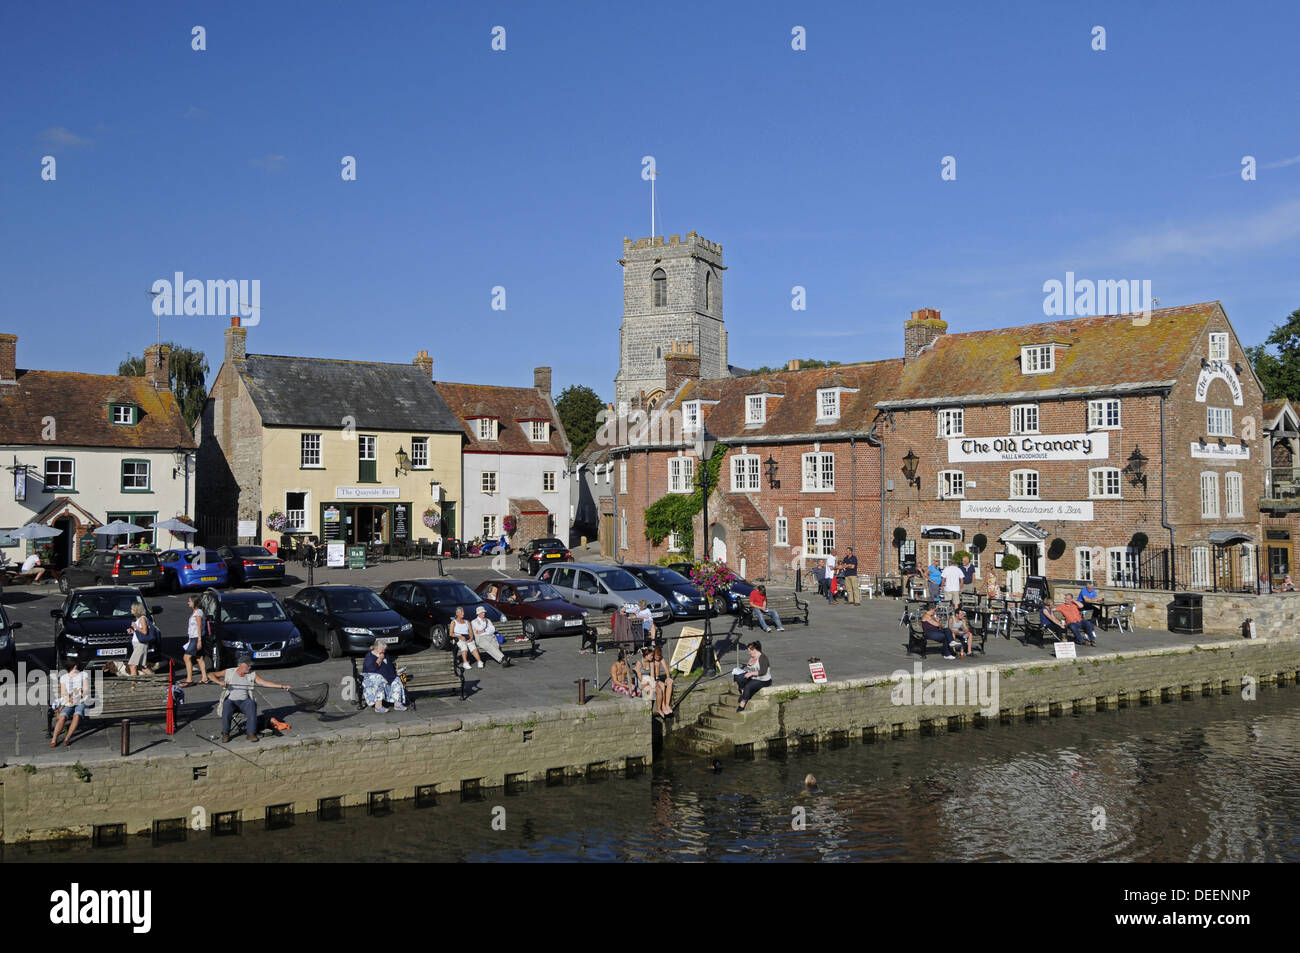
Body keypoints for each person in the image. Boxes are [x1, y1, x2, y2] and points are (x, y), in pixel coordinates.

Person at [209, 655, 289, 742]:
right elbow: (210, 675)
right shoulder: (229, 671)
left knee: (251, 703)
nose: (250, 667)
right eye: (248, 665)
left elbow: (264, 683)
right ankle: (225, 733)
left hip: (245, 702)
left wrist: (281, 686)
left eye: (250, 665)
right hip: (231, 701)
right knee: (227, 705)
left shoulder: (252, 674)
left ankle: (251, 733)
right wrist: (219, 682)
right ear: (240, 665)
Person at [50, 661, 90, 747]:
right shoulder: (64, 677)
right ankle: (54, 739)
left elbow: (86, 689)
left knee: (77, 715)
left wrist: (79, 696)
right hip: (69, 702)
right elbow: (63, 692)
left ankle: (67, 738)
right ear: (75, 666)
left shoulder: (83, 675)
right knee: (63, 717)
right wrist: (69, 697)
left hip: (82, 700)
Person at [361, 639, 407, 712]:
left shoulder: (385, 655)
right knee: (378, 680)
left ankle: (398, 704)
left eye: (384, 649)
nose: (384, 651)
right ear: (376, 648)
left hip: (386, 675)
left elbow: (390, 666)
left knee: (397, 680)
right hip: (371, 677)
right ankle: (378, 707)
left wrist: (396, 673)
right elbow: (372, 669)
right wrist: (379, 659)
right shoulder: (369, 656)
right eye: (382, 649)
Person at [180, 594, 210, 687]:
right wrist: (190, 638)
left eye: (190, 601)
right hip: (194, 638)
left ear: (195, 602)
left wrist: (199, 640)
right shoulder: (195, 612)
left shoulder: (198, 612)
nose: (188, 602)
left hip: (197, 638)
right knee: (199, 658)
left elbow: (199, 626)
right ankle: (204, 677)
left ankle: (189, 680)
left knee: (186, 657)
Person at [734, 641, 771, 712]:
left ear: (755, 650)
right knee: (738, 677)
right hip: (754, 677)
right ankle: (743, 693)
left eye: (750, 650)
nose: (749, 652)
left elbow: (763, 671)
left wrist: (751, 673)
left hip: (763, 679)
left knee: (748, 686)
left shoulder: (763, 658)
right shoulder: (752, 657)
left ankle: (743, 703)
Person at [125, 602, 152, 676]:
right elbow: (140, 633)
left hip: (141, 644)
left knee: (132, 665)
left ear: (136, 610)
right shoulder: (138, 619)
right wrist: (133, 631)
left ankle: (133, 685)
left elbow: (145, 631)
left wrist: (135, 627)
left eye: (132, 609)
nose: (131, 610)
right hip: (138, 644)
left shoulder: (142, 619)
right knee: (141, 666)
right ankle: (155, 678)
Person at [651, 646, 674, 717]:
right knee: (662, 685)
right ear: (654, 654)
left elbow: (667, 670)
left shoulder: (661, 659)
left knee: (670, 683)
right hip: (654, 680)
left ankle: (667, 705)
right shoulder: (652, 661)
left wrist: (668, 678)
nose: (658, 658)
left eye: (659, 656)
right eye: (656, 657)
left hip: (659, 679)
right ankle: (663, 706)